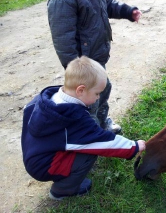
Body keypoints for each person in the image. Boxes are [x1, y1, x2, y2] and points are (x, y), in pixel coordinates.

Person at [47, 0, 142, 134]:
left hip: (98, 57)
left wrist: (126, 11)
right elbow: (63, 39)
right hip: (82, 65)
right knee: (86, 102)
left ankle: (101, 121)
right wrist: (75, 70)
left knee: (102, 90)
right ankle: (88, 134)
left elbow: (107, 4)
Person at [21, 56, 146, 201]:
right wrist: (134, 146)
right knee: (89, 151)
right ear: (80, 90)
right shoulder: (73, 118)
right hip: (45, 166)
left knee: (82, 143)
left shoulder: (46, 101)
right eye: (97, 93)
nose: (98, 98)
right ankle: (62, 190)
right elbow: (103, 143)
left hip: (34, 156)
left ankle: (64, 173)